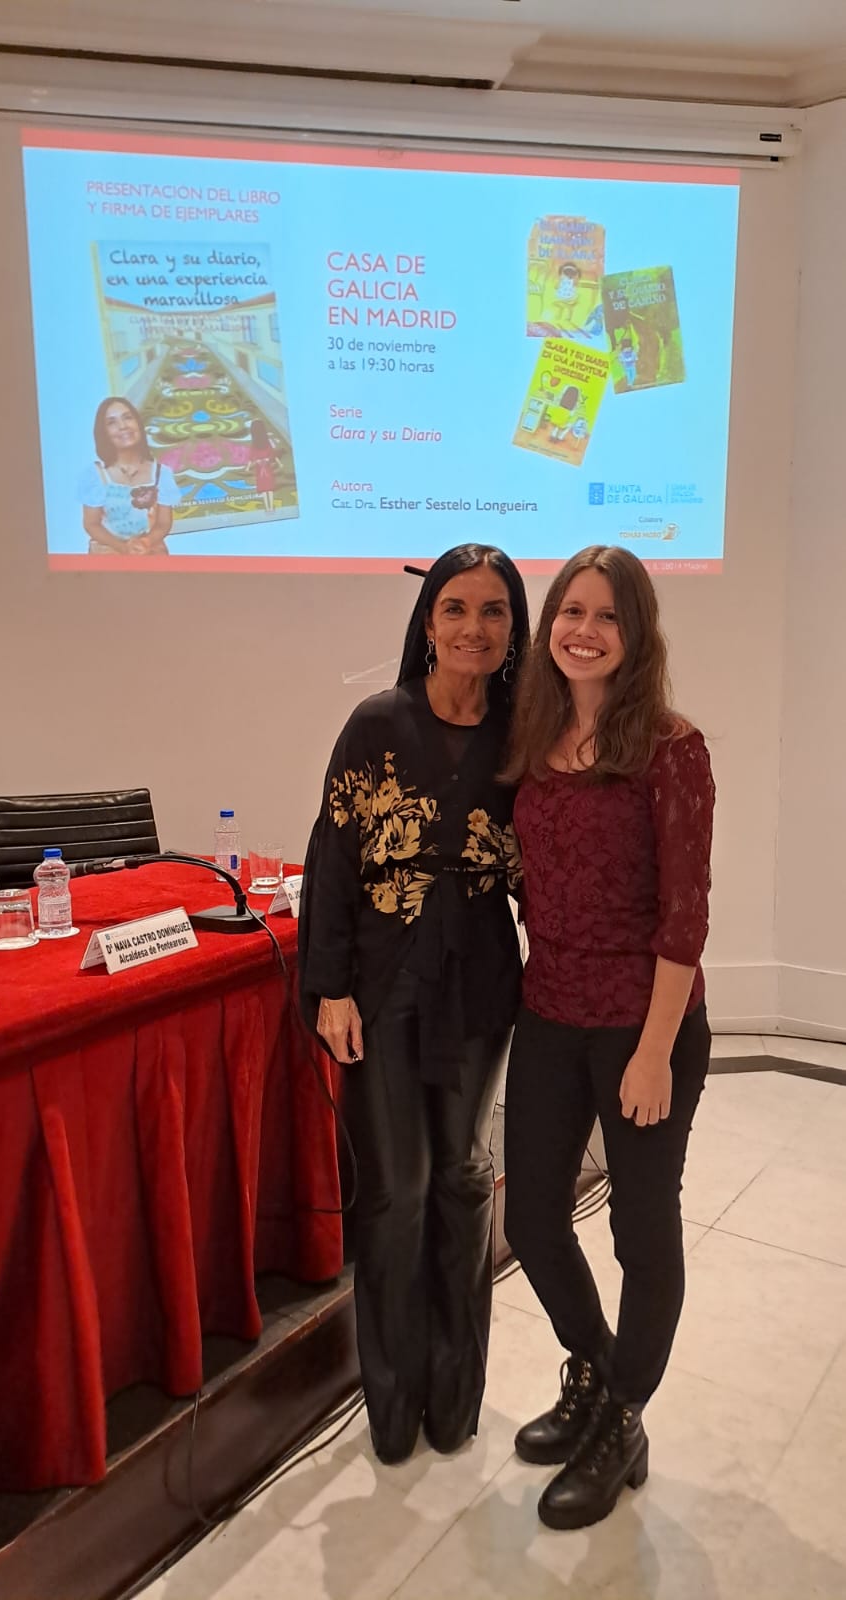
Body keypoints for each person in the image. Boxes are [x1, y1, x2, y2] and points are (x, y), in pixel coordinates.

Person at [299, 544, 530, 1465]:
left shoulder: (525, 737)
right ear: (428, 621)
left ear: (515, 628)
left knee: (465, 1181)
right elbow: (332, 858)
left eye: (494, 610)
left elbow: (547, 870)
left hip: (481, 979)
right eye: (456, 608)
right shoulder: (377, 724)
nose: (474, 627)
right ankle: (391, 1406)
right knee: (397, 1191)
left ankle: (455, 1395)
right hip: (384, 979)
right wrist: (330, 988)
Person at [502, 544, 714, 1531]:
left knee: (641, 1225)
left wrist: (654, 1051)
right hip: (548, 1010)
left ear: (637, 633)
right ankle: (596, 1371)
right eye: (570, 612)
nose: (584, 631)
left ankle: (623, 1416)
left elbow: (685, 915)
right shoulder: (532, 735)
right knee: (533, 1220)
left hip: (643, 1022)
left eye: (607, 616)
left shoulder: (671, 748)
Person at [79, 397, 181, 555]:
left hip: (150, 553)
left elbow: (163, 524)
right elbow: (91, 524)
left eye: (127, 418)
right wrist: (123, 548)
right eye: (112, 422)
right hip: (106, 555)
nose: (123, 426)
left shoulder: (162, 473)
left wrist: (145, 543)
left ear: (138, 423)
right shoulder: (95, 474)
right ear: (104, 433)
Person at [246, 418, 280, 514]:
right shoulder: (267, 442)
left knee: (264, 489)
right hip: (267, 468)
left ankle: (267, 508)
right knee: (269, 488)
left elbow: (251, 457)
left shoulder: (254, 443)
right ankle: (271, 508)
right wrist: (278, 463)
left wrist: (248, 467)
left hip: (259, 468)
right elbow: (272, 453)